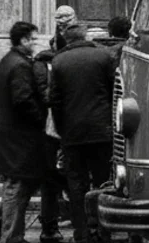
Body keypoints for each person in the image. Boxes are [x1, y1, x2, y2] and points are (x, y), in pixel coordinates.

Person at [50, 23, 115, 243]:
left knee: (76, 184)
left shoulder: (59, 61)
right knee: (103, 182)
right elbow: (113, 92)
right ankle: (103, 231)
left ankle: (82, 232)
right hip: (101, 130)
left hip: (72, 132)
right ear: (85, 36)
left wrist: (61, 129)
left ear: (67, 39)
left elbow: (55, 100)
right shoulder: (103, 56)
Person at [0, 21, 47, 243]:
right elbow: (23, 99)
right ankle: (11, 236)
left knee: (22, 183)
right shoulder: (20, 65)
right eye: (33, 39)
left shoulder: (9, 60)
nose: (35, 43)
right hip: (19, 136)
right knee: (17, 185)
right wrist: (41, 118)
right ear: (23, 40)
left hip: (11, 134)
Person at [34, 36, 69, 242]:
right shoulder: (53, 66)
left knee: (50, 182)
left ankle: (50, 226)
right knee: (60, 180)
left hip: (49, 131)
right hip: (58, 130)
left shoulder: (40, 65)